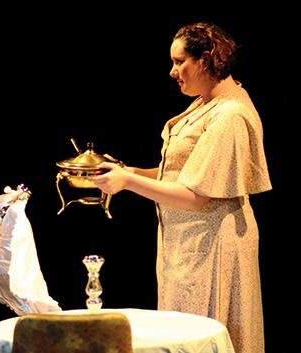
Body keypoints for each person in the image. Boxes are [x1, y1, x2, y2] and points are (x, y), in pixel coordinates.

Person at [89, 22, 271, 353]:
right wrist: (128, 170)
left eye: (179, 62)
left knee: (202, 336)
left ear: (206, 59)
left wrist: (128, 182)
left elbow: (197, 195)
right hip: (188, 245)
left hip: (213, 246)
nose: (173, 72)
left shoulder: (229, 114)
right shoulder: (206, 104)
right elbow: (185, 173)